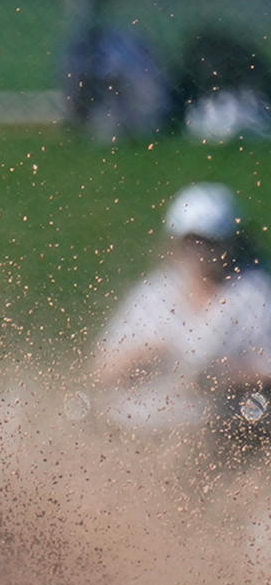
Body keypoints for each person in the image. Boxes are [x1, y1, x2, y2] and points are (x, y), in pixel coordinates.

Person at [94, 182, 271, 440]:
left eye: (209, 242)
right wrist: (146, 355)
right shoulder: (157, 292)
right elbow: (101, 369)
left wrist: (222, 376)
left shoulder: (255, 293)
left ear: (231, 242)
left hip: (225, 429)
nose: (200, 252)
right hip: (145, 429)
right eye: (191, 242)